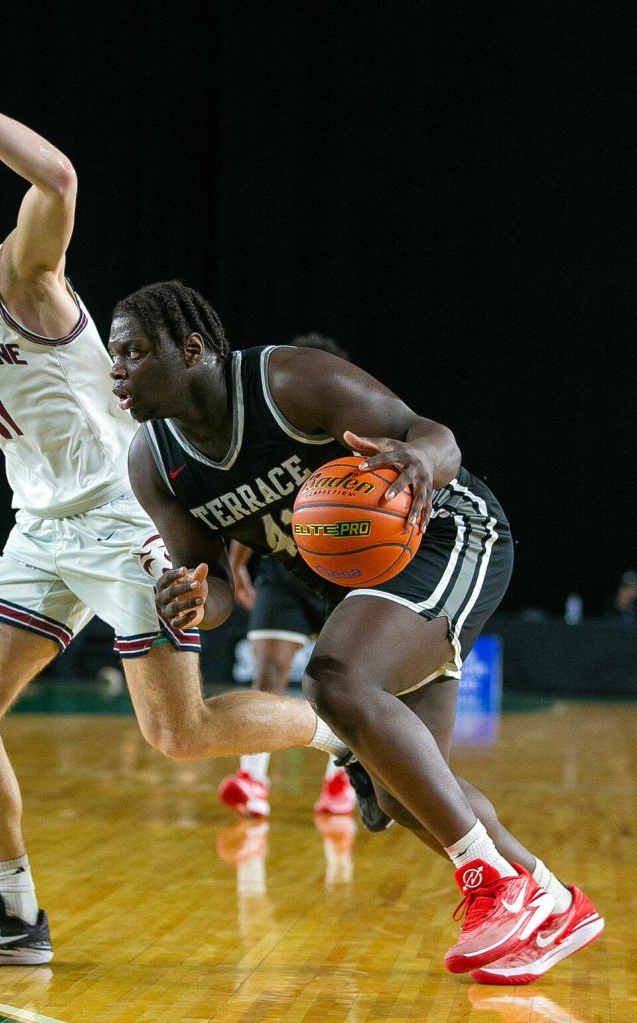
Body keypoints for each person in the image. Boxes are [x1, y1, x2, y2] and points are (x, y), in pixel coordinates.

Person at [0, 28, 358, 967]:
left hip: (122, 520)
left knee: (178, 733)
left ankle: (338, 734)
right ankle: (15, 914)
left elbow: (59, 178)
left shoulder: (23, 273)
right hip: (40, 531)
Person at [107, 279, 604, 985]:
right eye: (111, 356)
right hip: (368, 582)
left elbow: (434, 435)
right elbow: (214, 588)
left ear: (189, 349)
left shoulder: (286, 380)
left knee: (335, 677)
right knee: (401, 789)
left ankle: (494, 884)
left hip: (449, 533)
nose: (116, 370)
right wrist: (191, 599)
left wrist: (418, 464)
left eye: (130, 351)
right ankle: (552, 899)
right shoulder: (151, 461)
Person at [219, 333, 364, 824]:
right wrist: (237, 564)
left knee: (343, 686)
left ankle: (342, 783)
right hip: (282, 572)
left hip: (343, 576)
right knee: (268, 676)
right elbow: (253, 506)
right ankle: (252, 780)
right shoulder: (270, 434)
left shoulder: (352, 436)